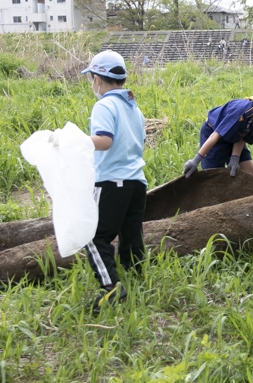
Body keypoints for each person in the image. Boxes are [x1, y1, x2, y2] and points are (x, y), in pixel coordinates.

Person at [79, 50, 147, 311]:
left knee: (95, 236)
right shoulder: (134, 107)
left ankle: (111, 288)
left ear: (98, 79)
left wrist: (75, 142)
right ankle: (137, 278)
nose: (92, 85)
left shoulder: (104, 105)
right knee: (131, 235)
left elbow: (104, 141)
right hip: (136, 182)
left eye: (92, 79)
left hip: (111, 182)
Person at [183, 83, 253, 178]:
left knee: (250, 173)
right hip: (214, 135)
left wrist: (235, 158)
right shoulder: (242, 111)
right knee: (213, 178)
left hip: (235, 137)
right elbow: (215, 136)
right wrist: (196, 160)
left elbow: (243, 135)